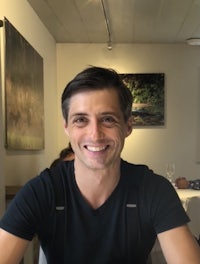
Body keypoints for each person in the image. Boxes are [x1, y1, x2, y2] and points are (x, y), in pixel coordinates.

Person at [0, 66, 200, 264]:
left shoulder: (154, 190)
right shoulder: (42, 190)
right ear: (67, 128)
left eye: (107, 119)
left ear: (128, 126)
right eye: (80, 120)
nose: (95, 134)